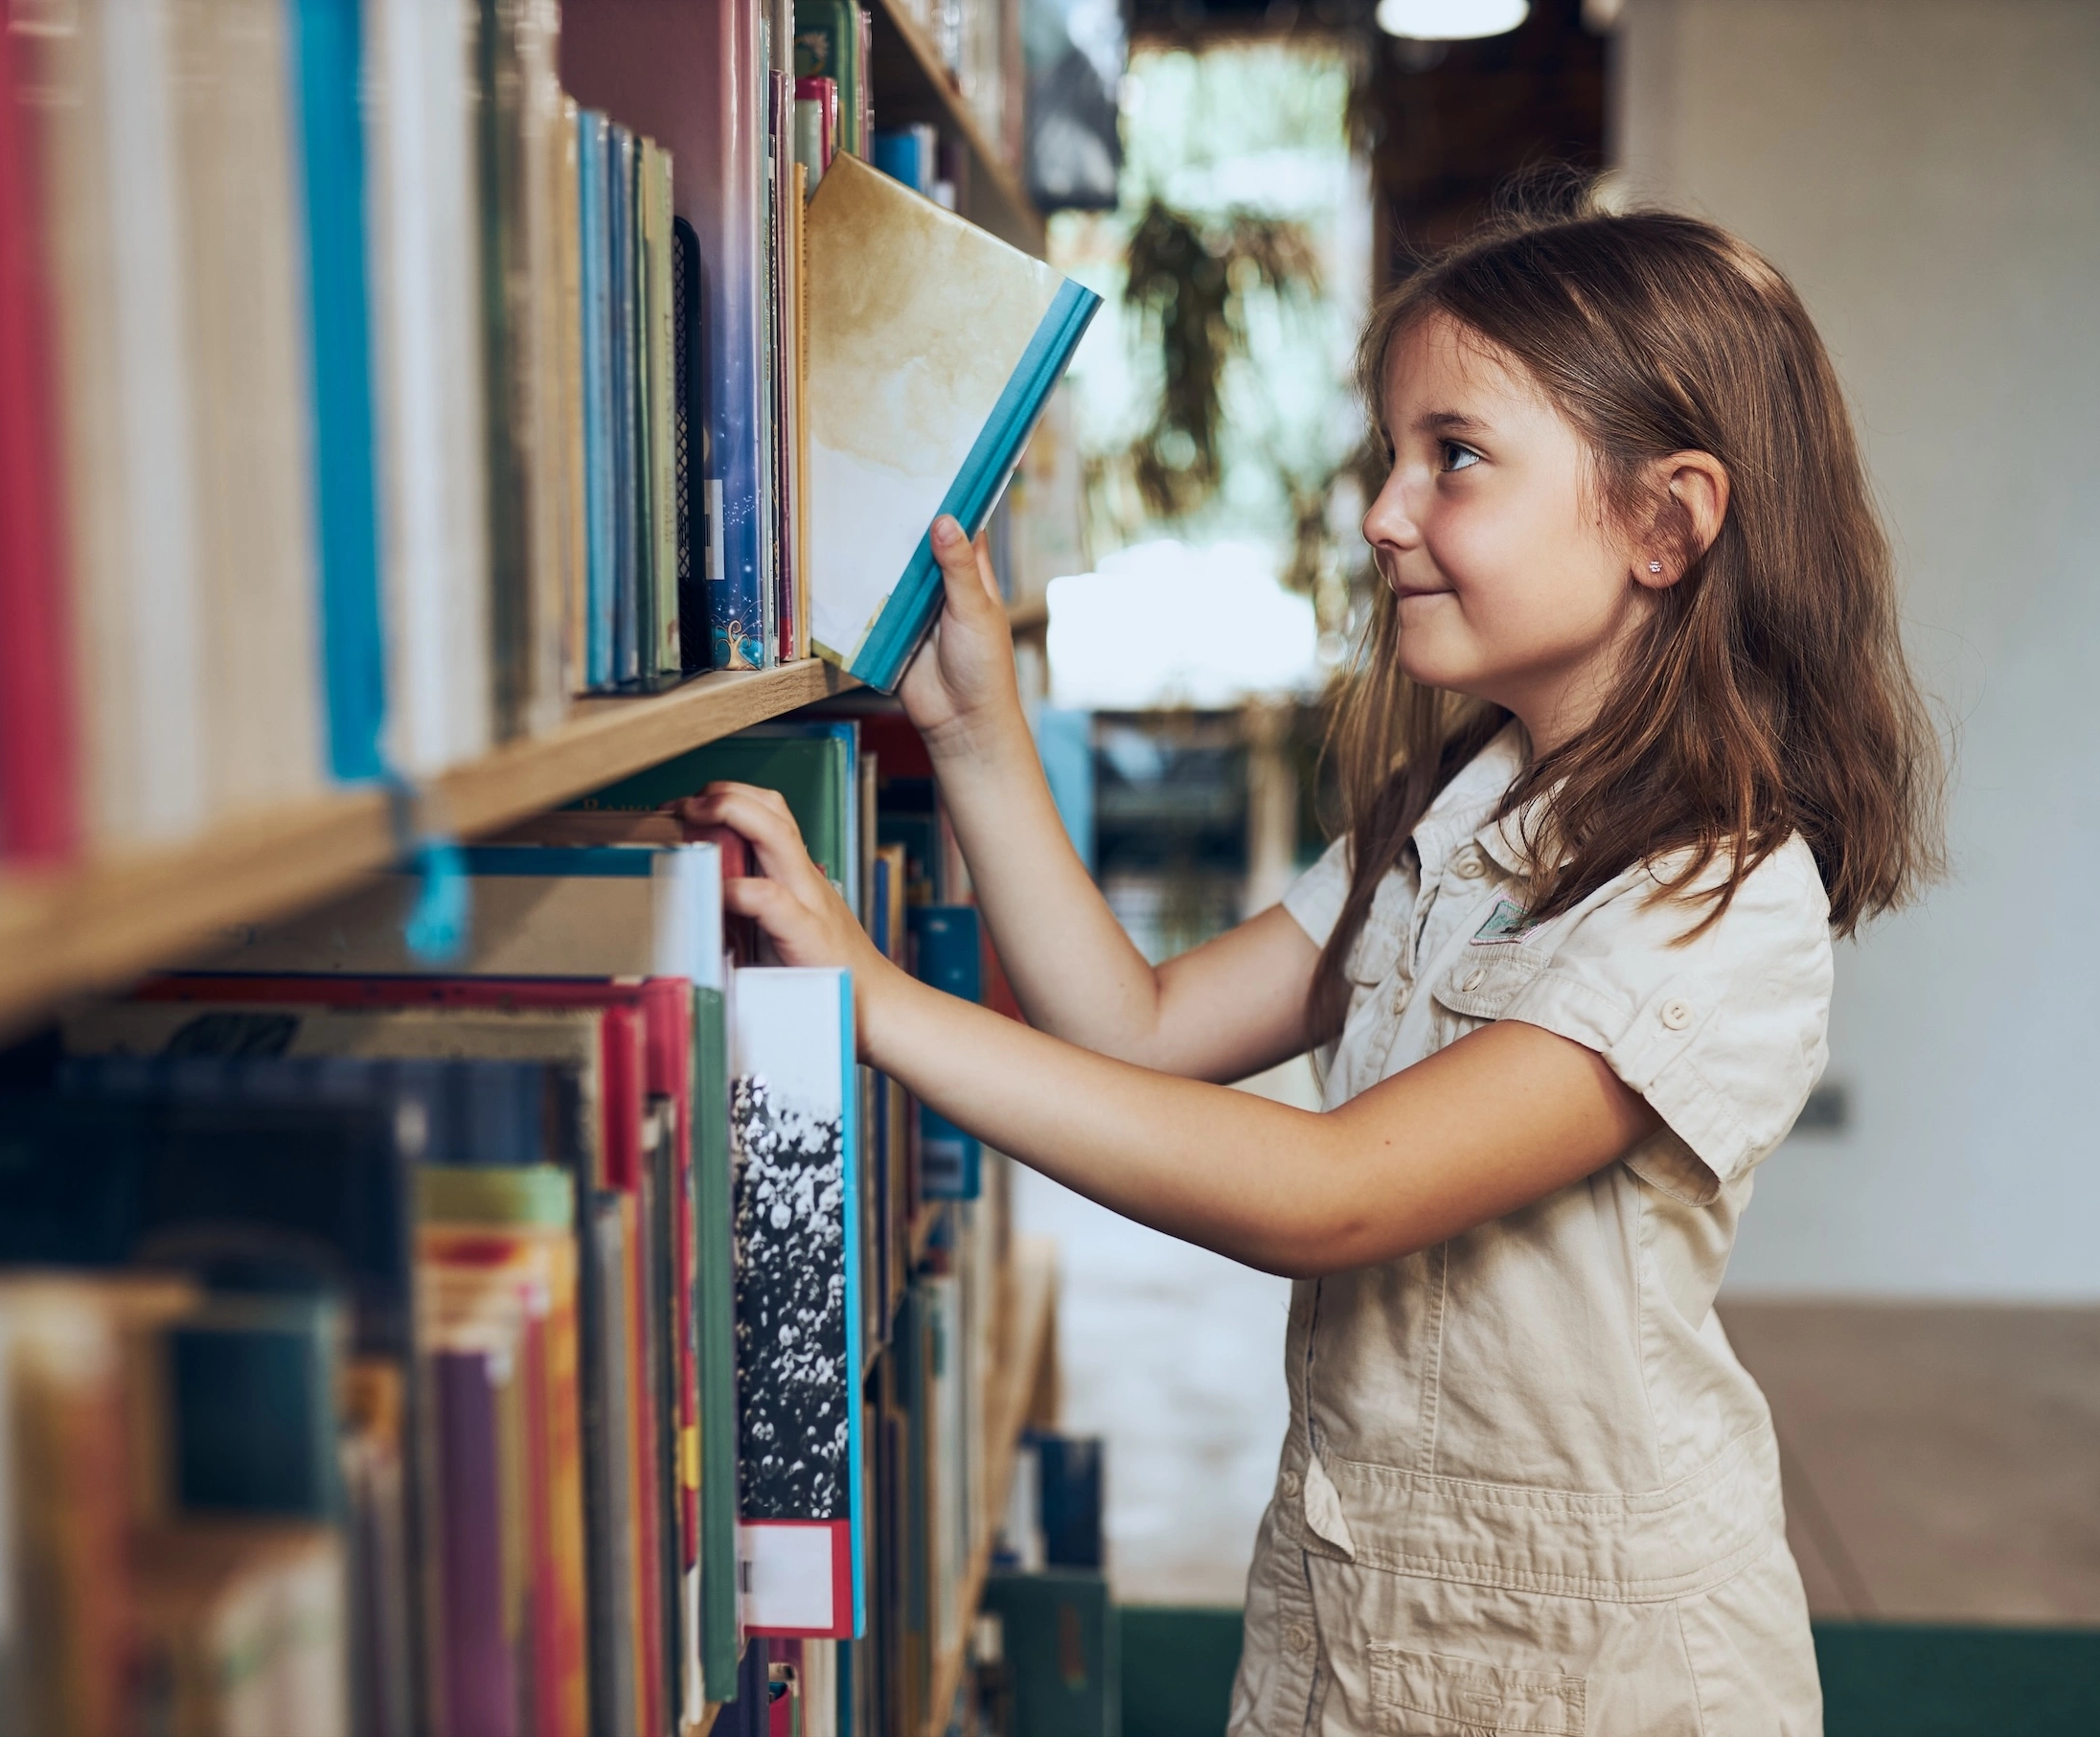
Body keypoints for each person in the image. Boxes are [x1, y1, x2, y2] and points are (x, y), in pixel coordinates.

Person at [684, 198, 1941, 1735]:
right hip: (1354, 1600)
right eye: (1389, 456)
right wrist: (972, 732)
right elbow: (1142, 1032)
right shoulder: (1450, 814)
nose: (1383, 514)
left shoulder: (1714, 893)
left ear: (1664, 524)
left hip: (1595, 1670)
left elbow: (1329, 1194)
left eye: (1455, 458)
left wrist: (875, 1003)